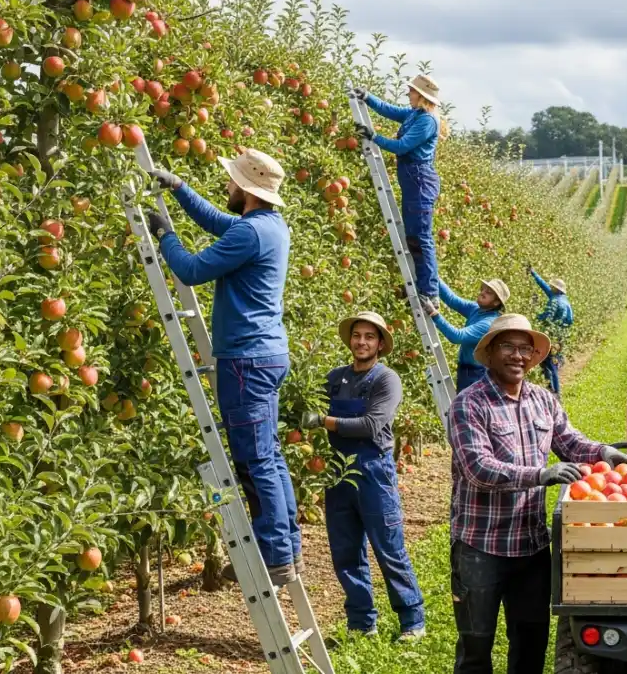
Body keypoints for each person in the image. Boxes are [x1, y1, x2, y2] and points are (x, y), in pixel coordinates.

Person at [447, 314, 627, 674]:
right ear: (490, 352)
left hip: (531, 544)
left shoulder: (543, 400)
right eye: (508, 346)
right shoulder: (468, 404)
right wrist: (541, 474)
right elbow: (478, 468)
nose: (517, 355)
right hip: (481, 545)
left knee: (531, 644)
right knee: (476, 647)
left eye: (525, 349)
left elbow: (569, 442)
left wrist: (603, 452)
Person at [144, 151, 301, 585]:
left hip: (246, 361)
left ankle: (274, 556)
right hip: (267, 354)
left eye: (231, 181)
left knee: (255, 461)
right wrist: (180, 190)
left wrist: (165, 236)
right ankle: (288, 547)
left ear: (246, 190)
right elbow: (218, 221)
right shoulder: (269, 226)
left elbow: (192, 270)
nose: (227, 186)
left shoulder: (250, 233)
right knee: (269, 455)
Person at [300, 311, 426, 642]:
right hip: (337, 472)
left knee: (389, 548)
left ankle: (412, 620)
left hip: (373, 471)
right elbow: (305, 402)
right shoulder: (335, 378)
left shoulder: (386, 380)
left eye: (369, 337)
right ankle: (361, 623)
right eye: (357, 335)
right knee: (345, 551)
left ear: (380, 344)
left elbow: (371, 425)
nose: (362, 342)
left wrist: (323, 421)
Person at [349, 74, 447, 304]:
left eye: (412, 91)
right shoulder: (415, 114)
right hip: (413, 181)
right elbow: (390, 110)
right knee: (412, 236)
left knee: (421, 237)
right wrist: (368, 97)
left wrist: (374, 137)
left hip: (420, 181)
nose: (408, 93)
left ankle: (430, 292)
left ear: (422, 96)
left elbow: (402, 147)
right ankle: (421, 285)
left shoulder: (428, 120)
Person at [424, 277, 509, 392]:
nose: (483, 292)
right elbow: (452, 299)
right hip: (466, 370)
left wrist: (435, 314)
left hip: (477, 374)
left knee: (468, 403)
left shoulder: (489, 324)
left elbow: (456, 336)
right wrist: (432, 276)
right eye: (483, 289)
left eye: (489, 292)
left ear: (496, 302)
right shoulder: (477, 309)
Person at [528, 264, 574, 397]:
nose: (550, 287)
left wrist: (535, 314)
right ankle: (552, 390)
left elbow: (546, 317)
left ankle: (555, 393)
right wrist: (534, 274)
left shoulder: (554, 301)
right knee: (550, 362)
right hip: (560, 338)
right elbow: (570, 320)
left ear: (556, 289)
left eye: (552, 286)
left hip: (550, 337)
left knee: (548, 363)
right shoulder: (564, 300)